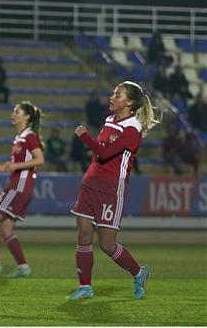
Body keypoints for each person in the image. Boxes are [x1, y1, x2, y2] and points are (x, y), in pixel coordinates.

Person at [69, 81, 160, 300]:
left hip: (111, 188)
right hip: (90, 183)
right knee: (83, 235)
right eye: (113, 94)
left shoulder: (132, 129)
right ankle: (85, 288)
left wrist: (84, 136)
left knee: (107, 245)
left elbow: (105, 153)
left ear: (129, 102)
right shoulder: (110, 120)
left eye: (117, 95)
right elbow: (99, 155)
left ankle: (139, 273)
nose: (111, 97)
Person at [0, 101, 44, 278]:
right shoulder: (19, 138)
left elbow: (39, 160)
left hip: (18, 187)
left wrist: (16, 165)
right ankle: (23, 267)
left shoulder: (29, 136)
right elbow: (12, 167)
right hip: (21, 187)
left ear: (26, 117)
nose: (13, 114)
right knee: (6, 229)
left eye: (16, 112)